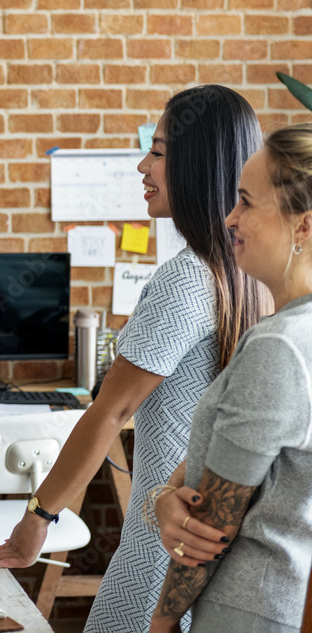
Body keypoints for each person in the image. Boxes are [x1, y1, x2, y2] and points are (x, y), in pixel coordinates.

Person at [0, 85, 270, 633]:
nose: (143, 165)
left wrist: (37, 521)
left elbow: (108, 414)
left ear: (198, 164)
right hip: (214, 546)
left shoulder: (185, 279)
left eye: (159, 151)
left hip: (158, 548)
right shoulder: (249, 279)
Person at [149, 124, 312, 633]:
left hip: (248, 610)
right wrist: (166, 493)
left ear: (303, 228)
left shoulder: (278, 346)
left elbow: (214, 522)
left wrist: (161, 619)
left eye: (246, 202)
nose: (230, 217)